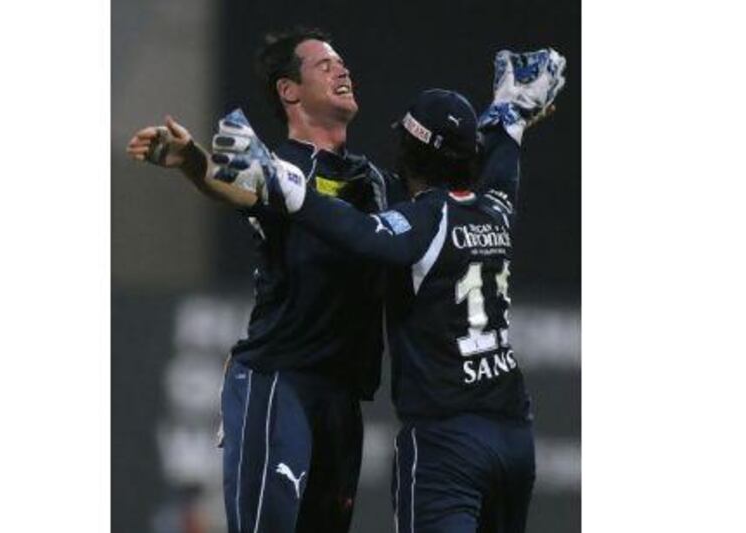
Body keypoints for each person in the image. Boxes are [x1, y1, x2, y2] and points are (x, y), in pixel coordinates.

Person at [228, 49, 566, 532]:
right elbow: (500, 161)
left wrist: (284, 184)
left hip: (446, 443)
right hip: (514, 436)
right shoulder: (496, 207)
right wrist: (508, 113)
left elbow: (360, 233)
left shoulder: (422, 220)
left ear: (411, 152)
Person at [126, 28, 398, 533]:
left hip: (343, 399)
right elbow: (235, 184)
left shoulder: (376, 181)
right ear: (288, 91)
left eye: (342, 62)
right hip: (280, 382)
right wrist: (191, 162)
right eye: (324, 65)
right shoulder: (275, 169)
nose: (343, 70)